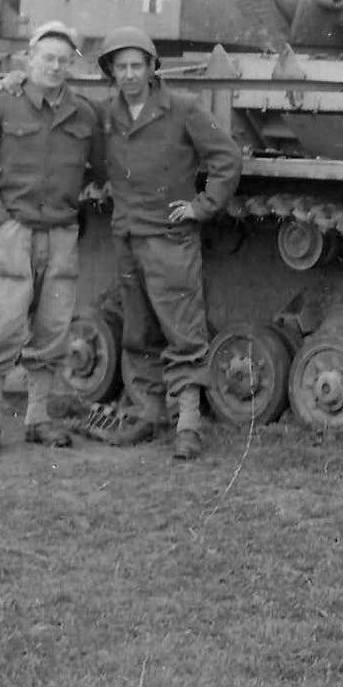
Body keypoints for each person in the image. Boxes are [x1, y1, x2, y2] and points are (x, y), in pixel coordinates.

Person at [87, 26, 241, 460]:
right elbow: (98, 163)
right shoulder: (105, 114)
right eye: (122, 67)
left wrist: (203, 205)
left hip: (170, 236)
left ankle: (188, 423)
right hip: (129, 234)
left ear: (153, 68)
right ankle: (145, 414)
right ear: (111, 73)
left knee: (183, 331)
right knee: (138, 329)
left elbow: (226, 157)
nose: (131, 74)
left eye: (138, 65)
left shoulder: (182, 108)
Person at [0, 20, 99, 457]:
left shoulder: (84, 114)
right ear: (28, 59)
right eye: (47, 58)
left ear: (72, 64)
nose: (55, 67)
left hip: (60, 233)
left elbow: (101, 167)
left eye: (63, 60)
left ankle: (38, 418)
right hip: (12, 230)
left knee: (52, 330)